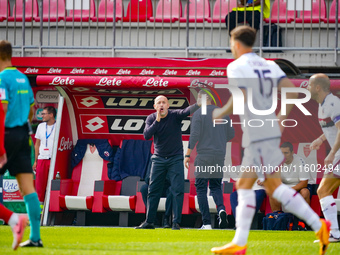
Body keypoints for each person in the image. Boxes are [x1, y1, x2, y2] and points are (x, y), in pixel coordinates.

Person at [210, 26, 330, 255]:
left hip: (256, 133)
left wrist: (220, 113)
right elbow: (292, 92)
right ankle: (317, 226)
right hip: (269, 131)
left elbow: (241, 95)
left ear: (235, 43)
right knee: (261, 186)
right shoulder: (270, 64)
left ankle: (241, 243)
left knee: (248, 185)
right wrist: (281, 118)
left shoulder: (236, 66)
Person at [0, 40, 43, 248]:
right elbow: (31, 111)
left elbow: (2, 111)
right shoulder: (23, 78)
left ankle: (13, 219)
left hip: (5, 136)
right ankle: (35, 237)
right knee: (28, 188)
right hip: (24, 136)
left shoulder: (1, 78)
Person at [136, 95, 200, 230]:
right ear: (155, 107)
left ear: (168, 105)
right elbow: (146, 135)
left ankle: (175, 222)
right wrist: (157, 121)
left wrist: (198, 103)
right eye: (158, 103)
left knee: (177, 190)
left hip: (175, 158)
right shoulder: (152, 118)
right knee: (152, 190)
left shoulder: (174, 115)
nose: (161, 105)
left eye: (164, 102)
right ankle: (149, 221)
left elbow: (186, 111)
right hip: (158, 159)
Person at [184, 89, 234, 230]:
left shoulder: (199, 114)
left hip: (204, 156)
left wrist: (187, 155)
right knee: (216, 186)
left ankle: (206, 223)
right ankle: (221, 210)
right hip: (219, 155)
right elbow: (231, 133)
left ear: (200, 99)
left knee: (201, 188)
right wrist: (219, 141)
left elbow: (194, 136)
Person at [308, 73, 340, 243]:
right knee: (323, 191)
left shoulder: (333, 103)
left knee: (323, 190)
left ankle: (334, 233)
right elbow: (331, 127)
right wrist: (320, 140)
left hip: (339, 154)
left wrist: (332, 152)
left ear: (318, 87)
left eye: (309, 84)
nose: (307, 87)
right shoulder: (323, 104)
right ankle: (334, 232)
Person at [269, 142, 312, 212]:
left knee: (305, 192)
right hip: (285, 186)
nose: (283, 156)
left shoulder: (300, 161)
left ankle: (302, 221)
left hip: (300, 186)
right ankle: (277, 218)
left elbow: (304, 183)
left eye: (286, 153)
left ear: (292, 153)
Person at [33, 106, 56, 202]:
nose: (41, 116)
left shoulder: (59, 125)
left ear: (51, 115)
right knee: (40, 186)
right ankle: (40, 212)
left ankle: (51, 210)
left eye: (44, 114)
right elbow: (37, 144)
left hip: (54, 159)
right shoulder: (41, 126)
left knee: (53, 186)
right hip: (42, 159)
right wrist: (35, 161)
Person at [140, 161, 173, 228]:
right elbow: (147, 178)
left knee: (172, 190)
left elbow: (171, 179)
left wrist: (158, 178)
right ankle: (153, 218)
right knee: (144, 188)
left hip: (166, 186)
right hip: (155, 186)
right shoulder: (153, 159)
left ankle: (166, 219)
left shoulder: (171, 160)